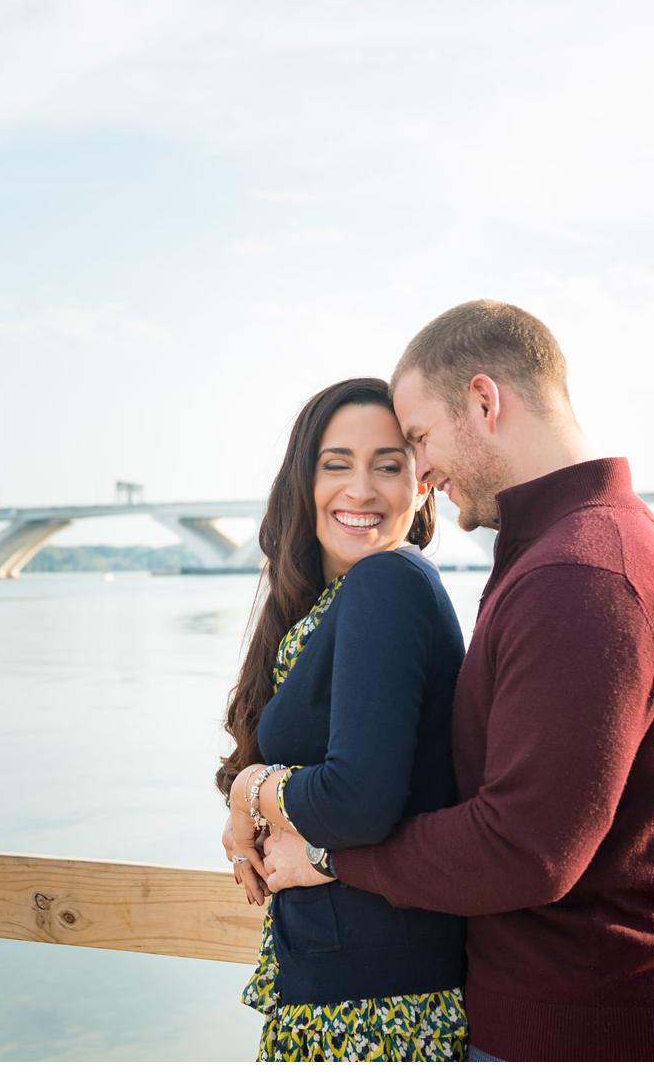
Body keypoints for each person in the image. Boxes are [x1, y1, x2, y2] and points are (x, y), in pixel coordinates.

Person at [258, 300, 654, 1062]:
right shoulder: (566, 552)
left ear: (485, 402)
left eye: (419, 439)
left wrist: (328, 855)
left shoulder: (582, 572)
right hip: (591, 1020)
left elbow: (526, 850)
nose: (422, 470)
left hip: (603, 1029)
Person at [214, 377, 469, 1061]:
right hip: (343, 996)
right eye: (337, 464)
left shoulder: (388, 583)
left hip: (379, 1014)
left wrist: (250, 793)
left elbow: (356, 802)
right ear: (305, 481)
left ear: (421, 486)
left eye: (388, 465)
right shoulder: (328, 606)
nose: (360, 489)